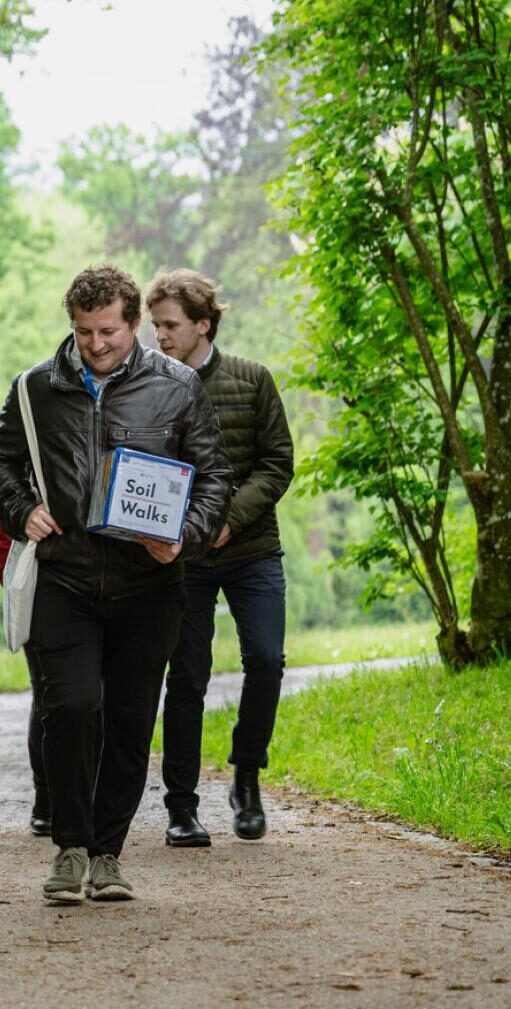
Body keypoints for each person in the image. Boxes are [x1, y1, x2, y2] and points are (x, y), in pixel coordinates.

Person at [0, 264, 229, 904]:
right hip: (64, 577)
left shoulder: (177, 387)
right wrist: (20, 509)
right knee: (70, 707)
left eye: (109, 331)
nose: (96, 344)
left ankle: (108, 854)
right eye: (84, 331)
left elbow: (213, 476)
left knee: (129, 719)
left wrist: (185, 537)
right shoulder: (35, 387)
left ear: (135, 323)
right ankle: (70, 848)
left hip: (148, 585)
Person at [148, 268, 294, 846]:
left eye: (170, 325)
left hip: (252, 549)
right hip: (183, 557)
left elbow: (277, 463)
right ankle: (181, 808)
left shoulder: (252, 380)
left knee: (266, 659)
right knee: (186, 675)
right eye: (155, 325)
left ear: (203, 324)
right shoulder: (148, 386)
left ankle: (246, 776)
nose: (160, 335)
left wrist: (228, 519)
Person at [0, 510, 50, 837]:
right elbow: (0, 540)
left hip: (103, 597)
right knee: (47, 696)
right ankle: (46, 798)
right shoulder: (26, 479)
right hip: (37, 595)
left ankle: (92, 797)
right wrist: (17, 584)